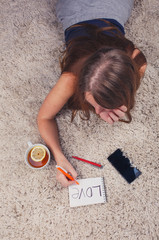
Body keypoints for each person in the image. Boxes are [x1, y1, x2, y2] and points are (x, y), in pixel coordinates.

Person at [37, 0, 147, 187]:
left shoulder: (137, 61)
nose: (96, 110)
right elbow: (44, 117)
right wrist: (60, 158)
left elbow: (126, 89)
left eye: (100, 104)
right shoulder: (71, 78)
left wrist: (121, 104)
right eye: (93, 102)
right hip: (74, 8)